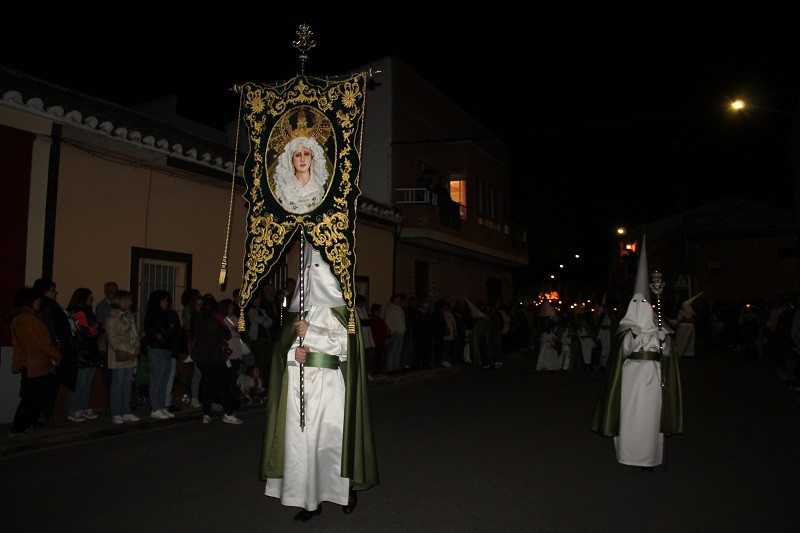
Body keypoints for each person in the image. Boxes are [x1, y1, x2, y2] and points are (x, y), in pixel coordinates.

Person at [261, 239, 379, 522]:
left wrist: (311, 333)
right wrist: (295, 355)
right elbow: (283, 350)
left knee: (330, 441)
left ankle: (345, 490)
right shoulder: (297, 313)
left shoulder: (340, 310)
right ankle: (309, 500)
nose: (310, 276)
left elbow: (346, 347)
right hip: (299, 389)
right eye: (306, 271)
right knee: (302, 444)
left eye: (315, 270)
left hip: (328, 388)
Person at [591, 237, 683, 469]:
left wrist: (664, 341)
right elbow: (622, 352)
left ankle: (650, 458)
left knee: (651, 418)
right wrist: (636, 338)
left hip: (653, 375)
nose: (640, 307)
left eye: (644, 303)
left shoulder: (660, 327)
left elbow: (669, 355)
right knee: (631, 415)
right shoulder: (626, 330)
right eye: (636, 303)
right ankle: (629, 454)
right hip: (632, 376)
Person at [8, 287, 62, 439]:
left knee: (37, 397)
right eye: (37, 299)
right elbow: (37, 343)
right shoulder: (24, 319)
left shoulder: (32, 317)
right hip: (31, 363)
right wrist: (55, 353)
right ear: (29, 301)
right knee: (31, 398)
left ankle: (27, 426)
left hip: (39, 363)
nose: (39, 301)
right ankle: (17, 429)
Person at [191, 295, 243, 425]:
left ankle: (206, 414)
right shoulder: (213, 322)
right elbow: (227, 334)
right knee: (223, 385)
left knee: (208, 385)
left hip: (201, 359)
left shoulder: (199, 320)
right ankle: (228, 413)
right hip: (213, 358)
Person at [32, 278, 76, 425]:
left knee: (51, 385)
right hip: (49, 353)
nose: (56, 293)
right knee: (47, 386)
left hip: (53, 351)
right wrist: (55, 352)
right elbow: (50, 331)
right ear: (45, 292)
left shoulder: (50, 306)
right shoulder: (46, 308)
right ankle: (41, 415)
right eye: (52, 290)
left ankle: (44, 414)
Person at [65, 288, 103, 422]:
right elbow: (89, 330)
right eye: (90, 297)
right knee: (79, 382)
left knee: (87, 382)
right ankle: (73, 409)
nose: (92, 299)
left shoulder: (89, 312)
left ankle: (83, 406)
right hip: (80, 352)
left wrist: (97, 327)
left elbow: (99, 326)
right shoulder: (77, 312)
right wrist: (97, 327)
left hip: (90, 351)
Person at [105, 290, 141, 424]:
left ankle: (126, 411)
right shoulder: (112, 318)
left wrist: (136, 348)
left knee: (127, 384)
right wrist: (131, 348)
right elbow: (114, 339)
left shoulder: (129, 316)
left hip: (131, 355)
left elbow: (135, 334)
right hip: (119, 356)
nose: (131, 303)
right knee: (117, 384)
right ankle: (116, 412)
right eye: (129, 300)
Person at [273, 129, 329, 214]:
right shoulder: (285, 188)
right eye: (298, 155)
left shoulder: (319, 186)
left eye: (306, 154)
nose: (302, 159)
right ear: (291, 160)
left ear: (312, 157)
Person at [143, 290, 178, 420]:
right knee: (157, 378)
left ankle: (162, 406)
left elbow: (173, 329)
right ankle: (155, 407)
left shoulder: (165, 314)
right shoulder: (153, 315)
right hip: (157, 348)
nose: (167, 303)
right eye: (165, 300)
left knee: (164, 378)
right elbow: (162, 332)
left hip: (166, 348)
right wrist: (168, 332)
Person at [94, 281, 118, 403]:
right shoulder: (102, 307)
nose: (112, 294)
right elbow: (103, 329)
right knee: (109, 376)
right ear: (105, 292)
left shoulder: (117, 306)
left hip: (117, 345)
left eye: (114, 291)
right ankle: (112, 402)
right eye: (110, 291)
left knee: (117, 376)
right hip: (108, 345)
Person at [383, 294, 406, 373]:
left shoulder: (400, 310)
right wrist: (392, 331)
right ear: (394, 300)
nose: (399, 301)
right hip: (395, 333)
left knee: (398, 352)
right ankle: (390, 369)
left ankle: (396, 368)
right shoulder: (391, 309)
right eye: (398, 299)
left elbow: (402, 321)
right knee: (392, 351)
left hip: (401, 332)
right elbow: (388, 322)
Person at [355, 294, 375, 380]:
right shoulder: (355, 311)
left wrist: (367, 322)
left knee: (370, 355)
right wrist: (367, 322)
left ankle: (367, 372)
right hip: (362, 337)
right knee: (363, 357)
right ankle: (362, 374)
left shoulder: (364, 311)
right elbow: (362, 323)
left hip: (369, 338)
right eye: (363, 302)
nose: (364, 304)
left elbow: (370, 322)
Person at [369, 303, 388, 377]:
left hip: (380, 339)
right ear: (376, 311)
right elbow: (378, 330)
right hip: (377, 340)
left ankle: (377, 371)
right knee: (377, 357)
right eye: (379, 310)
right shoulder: (374, 319)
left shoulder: (376, 318)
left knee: (379, 356)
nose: (380, 312)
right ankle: (376, 372)